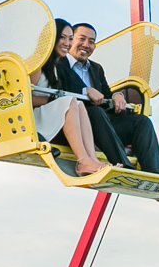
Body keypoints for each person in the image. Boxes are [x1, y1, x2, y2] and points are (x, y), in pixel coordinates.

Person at [68, 22, 159, 174]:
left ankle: (155, 173)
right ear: (70, 40)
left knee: (141, 122)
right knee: (95, 112)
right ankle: (123, 165)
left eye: (91, 42)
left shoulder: (96, 69)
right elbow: (57, 88)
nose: (86, 45)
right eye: (81, 39)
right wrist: (85, 90)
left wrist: (117, 95)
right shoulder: (60, 63)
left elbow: (106, 95)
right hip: (76, 122)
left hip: (101, 124)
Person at [29, 20, 111, 176]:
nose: (67, 43)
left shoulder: (55, 66)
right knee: (70, 102)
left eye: (70, 38)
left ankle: (91, 158)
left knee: (78, 104)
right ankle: (82, 160)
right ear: (51, 38)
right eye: (62, 38)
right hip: (32, 119)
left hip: (49, 114)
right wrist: (52, 101)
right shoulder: (38, 63)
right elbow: (25, 99)